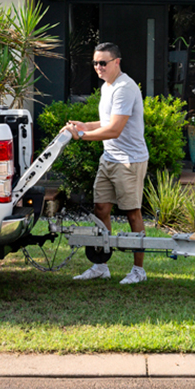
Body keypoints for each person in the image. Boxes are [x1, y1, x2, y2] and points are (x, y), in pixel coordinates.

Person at [63, 41, 150, 285]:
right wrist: (83, 125)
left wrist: (82, 136)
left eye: (103, 63)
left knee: (132, 213)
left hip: (129, 162)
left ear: (117, 62)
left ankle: (138, 270)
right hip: (109, 159)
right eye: (95, 63)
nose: (98, 67)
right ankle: (101, 266)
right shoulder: (107, 87)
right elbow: (105, 122)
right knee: (100, 210)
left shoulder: (125, 88)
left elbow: (114, 130)